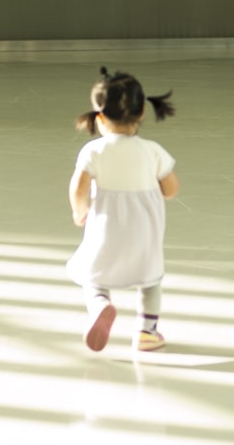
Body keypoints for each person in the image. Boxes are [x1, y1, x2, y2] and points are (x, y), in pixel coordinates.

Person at [66, 67, 180, 352]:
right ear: (142, 112)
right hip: (144, 234)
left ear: (100, 117)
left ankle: (101, 306)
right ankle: (147, 332)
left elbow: (78, 188)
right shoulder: (153, 151)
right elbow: (171, 188)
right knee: (151, 281)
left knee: (92, 278)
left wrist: (79, 211)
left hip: (105, 230)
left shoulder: (93, 151)